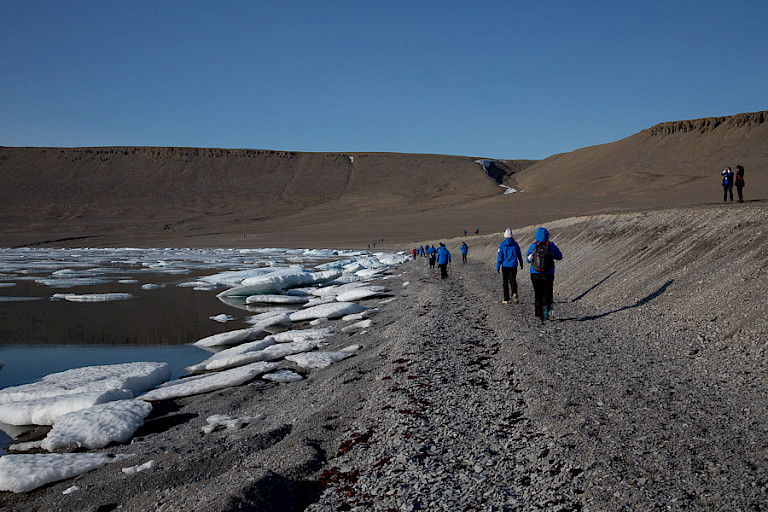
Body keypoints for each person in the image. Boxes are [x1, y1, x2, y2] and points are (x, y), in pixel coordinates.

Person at [526, 227, 563, 321]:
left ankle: (538, 313)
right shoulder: (551, 245)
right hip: (548, 273)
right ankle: (547, 308)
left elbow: (527, 259)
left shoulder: (533, 246)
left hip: (535, 273)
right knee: (547, 292)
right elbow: (559, 256)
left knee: (538, 293)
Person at [496, 228, 524, 304]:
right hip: (513, 266)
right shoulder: (515, 244)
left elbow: (500, 256)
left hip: (505, 266)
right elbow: (519, 255)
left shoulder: (502, 245)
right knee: (513, 281)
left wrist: (498, 266)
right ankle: (514, 293)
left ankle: (506, 299)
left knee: (505, 282)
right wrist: (521, 263)